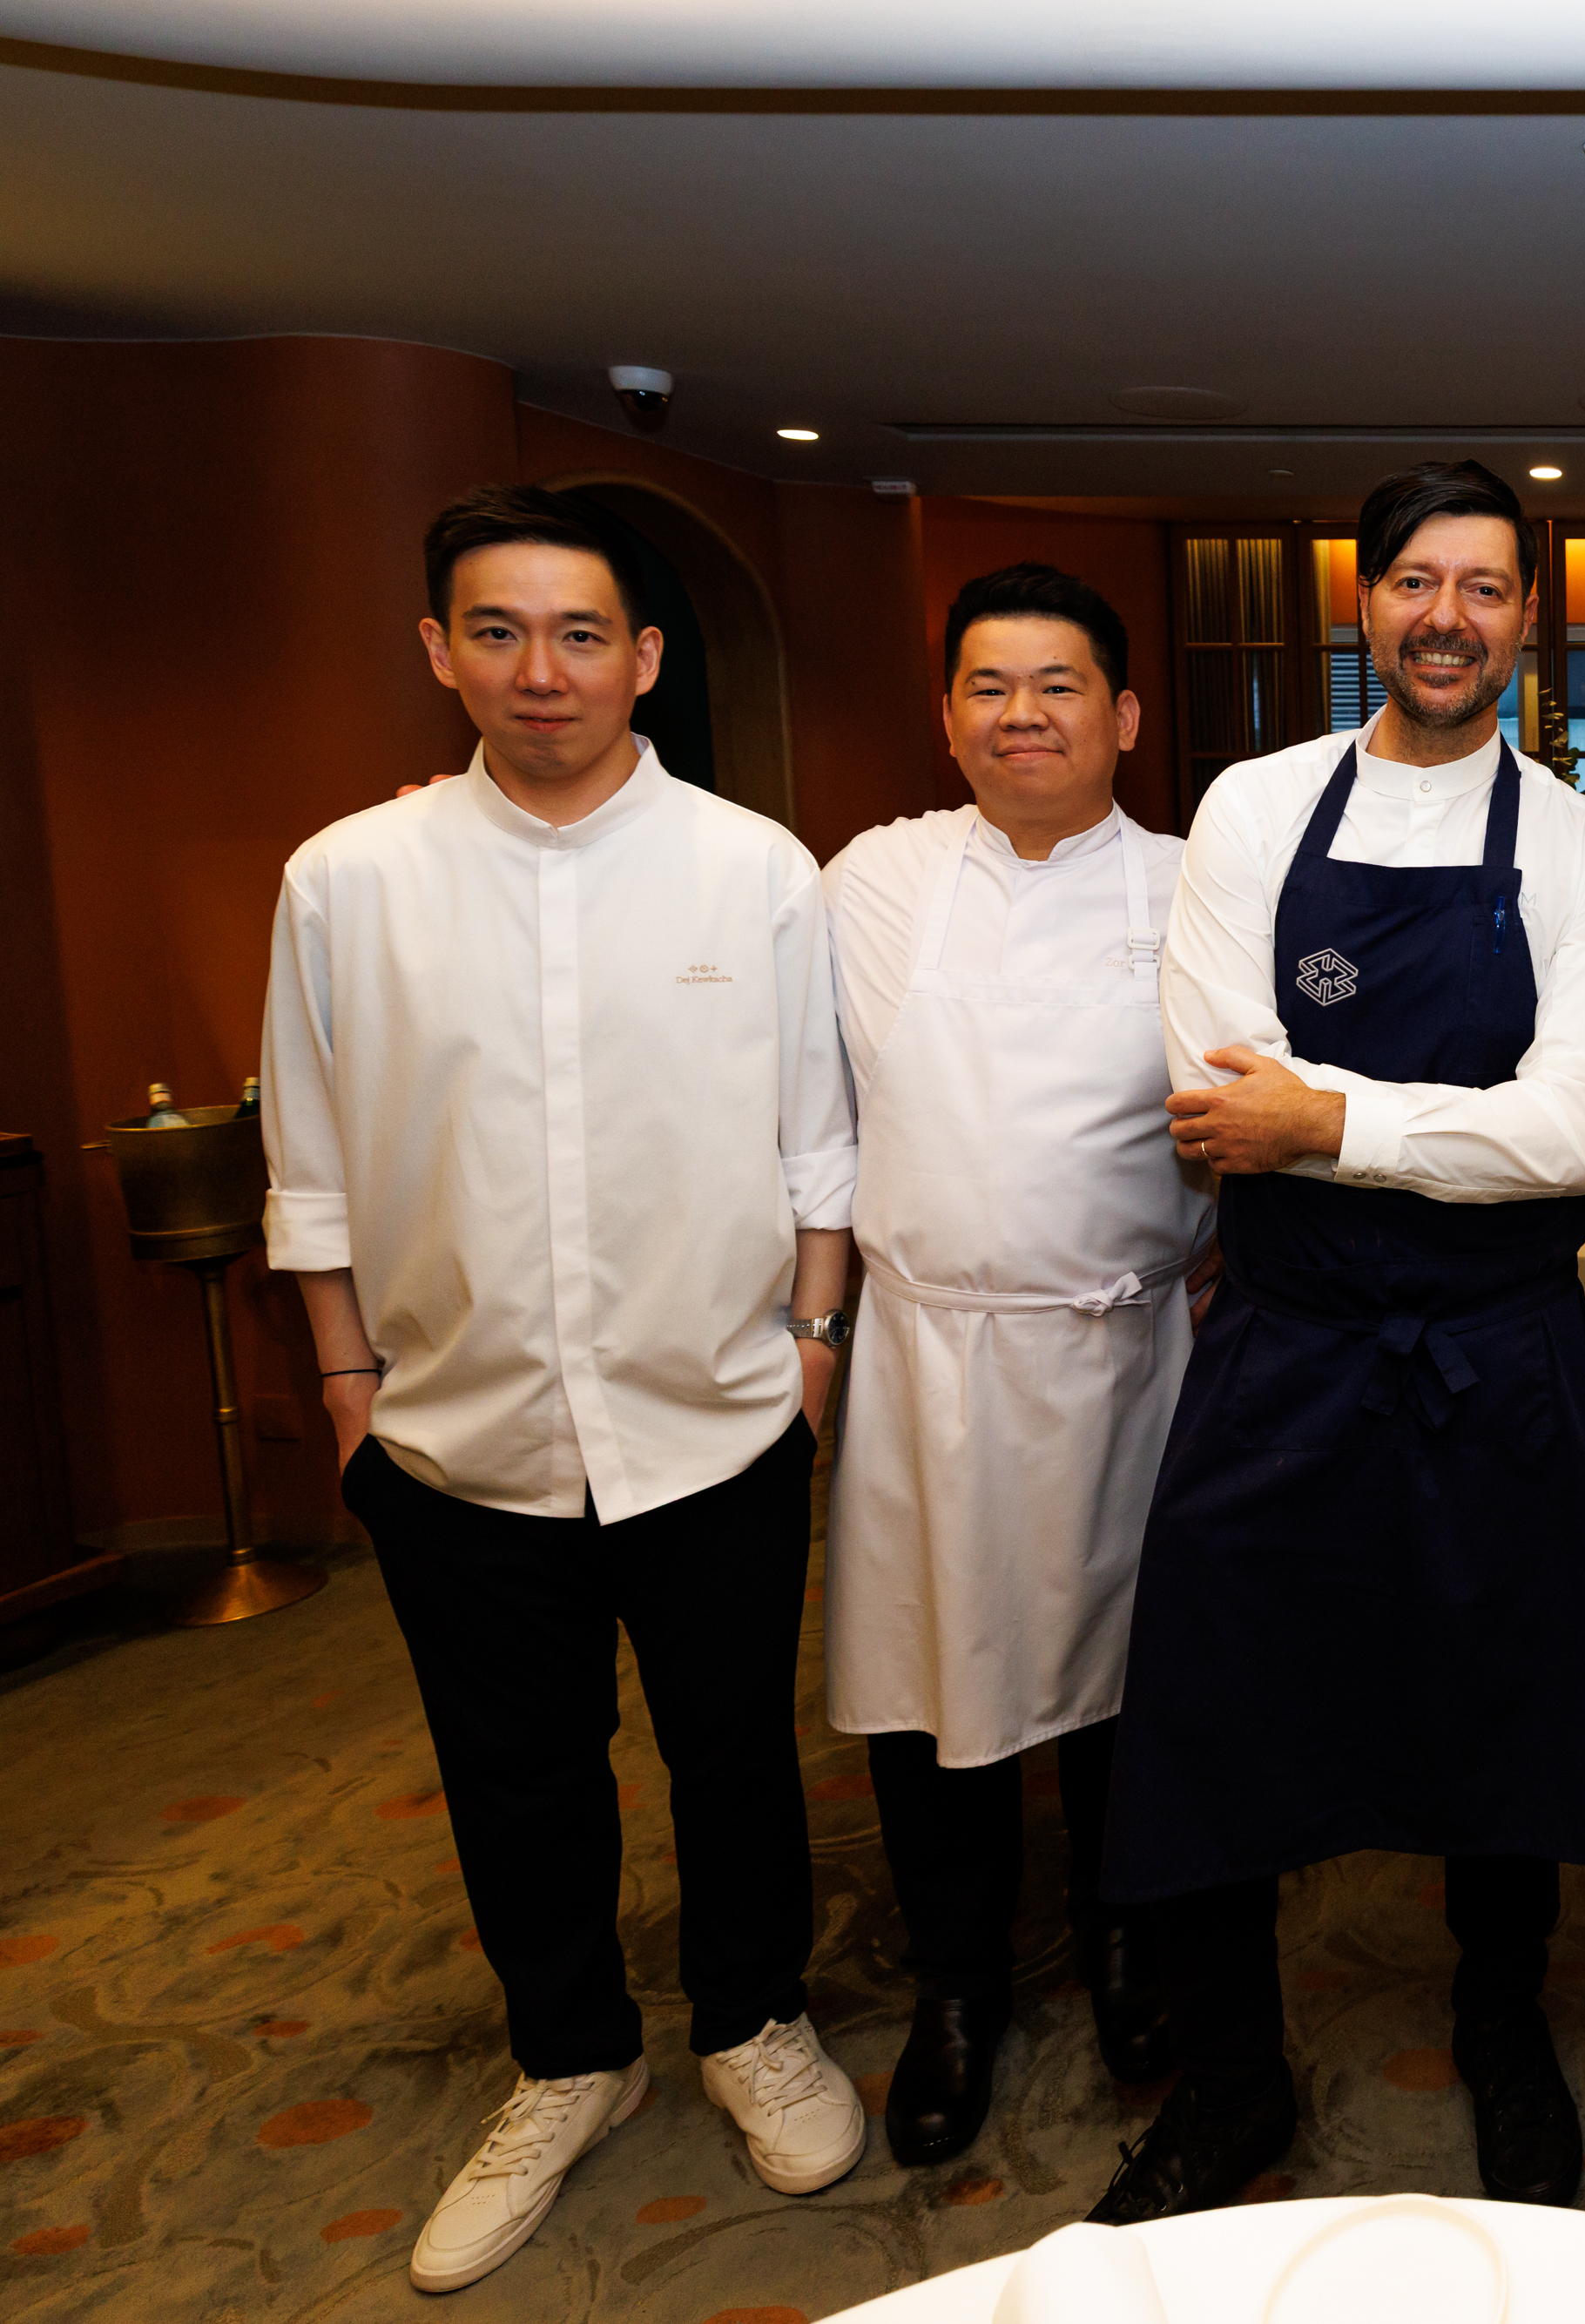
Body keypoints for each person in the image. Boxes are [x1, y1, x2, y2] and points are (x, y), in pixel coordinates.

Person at [261, 485, 865, 2294]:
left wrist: (813, 1352)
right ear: (439, 650)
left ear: (644, 659)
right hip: (455, 1433)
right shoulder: (345, 880)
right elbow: (313, 1161)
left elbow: (817, 1144)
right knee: (514, 1775)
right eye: (500, 632)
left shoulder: (756, 870)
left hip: (718, 1414)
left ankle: (753, 2017)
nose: (544, 669)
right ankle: (570, 2054)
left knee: (734, 1751)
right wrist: (349, 1391)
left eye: (582, 633)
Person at [1086, 463, 1585, 2221]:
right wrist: (1412, 1127)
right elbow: (1218, 1092)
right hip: (1292, 1341)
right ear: (1365, 600)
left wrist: (1327, 1122)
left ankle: (1502, 2024)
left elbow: (1572, 1131)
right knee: (1211, 1701)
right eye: (1416, 581)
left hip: (1497, 1352)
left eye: (1483, 587)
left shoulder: (1580, 845)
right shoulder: (1254, 807)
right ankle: (1232, 2077)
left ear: (1526, 620)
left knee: (1504, 1710)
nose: (1446, 618)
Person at [818, 564, 1213, 2165]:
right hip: (927, 1357)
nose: (1022, 715)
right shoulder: (871, 879)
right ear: (947, 716)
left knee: (1138, 1679)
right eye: (990, 686)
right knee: (934, 1683)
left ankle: (1130, 1941)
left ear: (1124, 716)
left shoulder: (1194, 886)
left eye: (1059, 686)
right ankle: (957, 1983)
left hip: (1132, 1348)